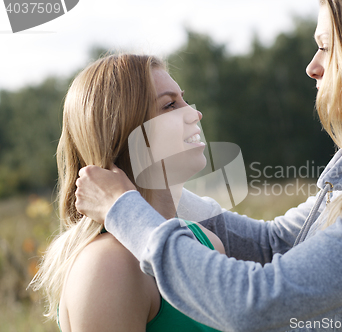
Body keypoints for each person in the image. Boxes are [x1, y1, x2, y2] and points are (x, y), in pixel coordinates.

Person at [74, 0, 342, 331]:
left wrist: (126, 210)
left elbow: (254, 304)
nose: (312, 67)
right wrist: (154, 195)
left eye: (324, 47)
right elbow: (274, 245)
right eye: (169, 104)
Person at [29, 54, 224, 332]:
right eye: (169, 105)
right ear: (125, 131)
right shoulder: (109, 265)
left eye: (183, 99)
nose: (194, 113)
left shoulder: (207, 241)